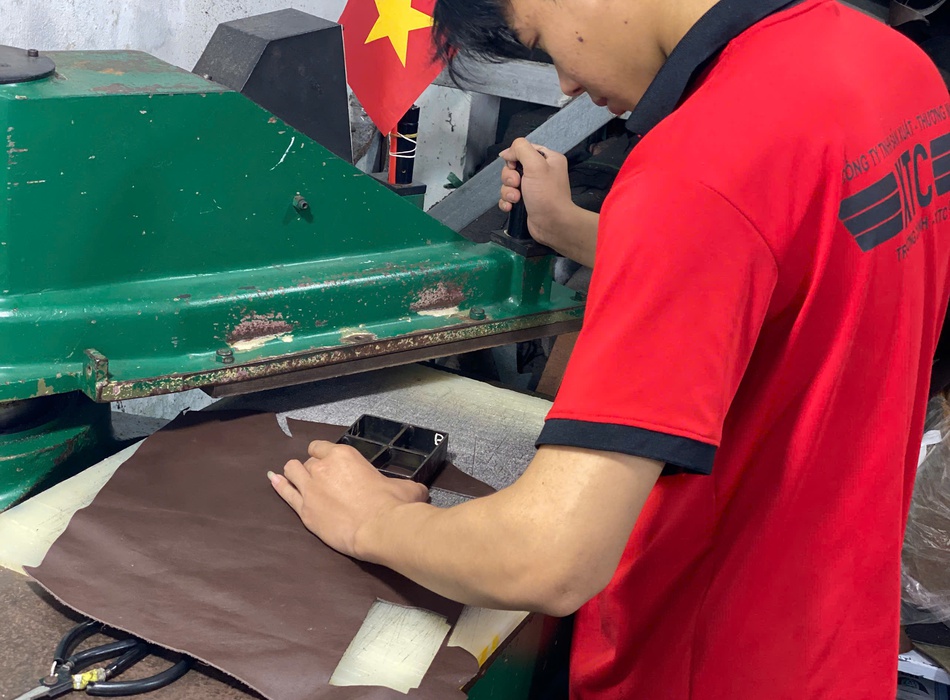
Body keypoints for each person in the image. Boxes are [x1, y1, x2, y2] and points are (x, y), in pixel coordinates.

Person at [267, 0, 950, 696]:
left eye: (541, 42)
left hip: (701, 661)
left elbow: (549, 558)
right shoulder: (889, 66)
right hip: (835, 643)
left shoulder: (698, 167)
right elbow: (782, 266)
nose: (565, 84)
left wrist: (378, 521)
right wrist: (573, 228)